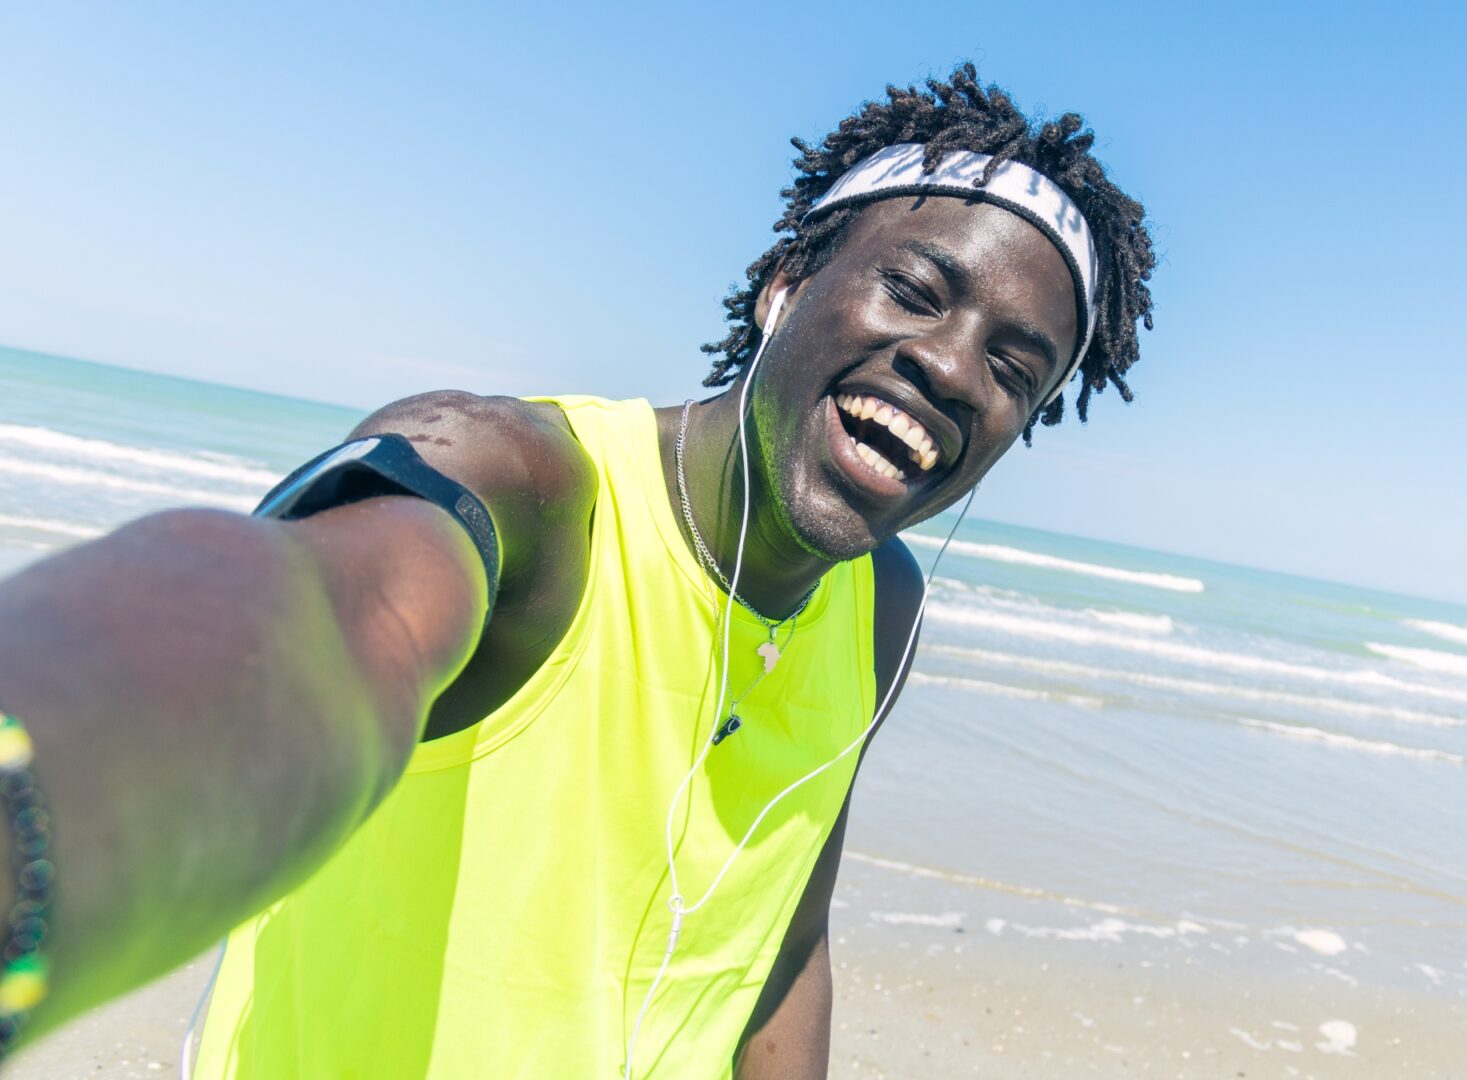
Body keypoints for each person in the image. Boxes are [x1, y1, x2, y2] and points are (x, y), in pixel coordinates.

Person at [0, 62, 1155, 1077]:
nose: (954, 369)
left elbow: (781, 940)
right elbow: (310, 628)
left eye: (1014, 368)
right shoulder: (531, 489)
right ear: (787, 282)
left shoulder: (880, 612)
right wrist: (38, 807)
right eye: (914, 290)